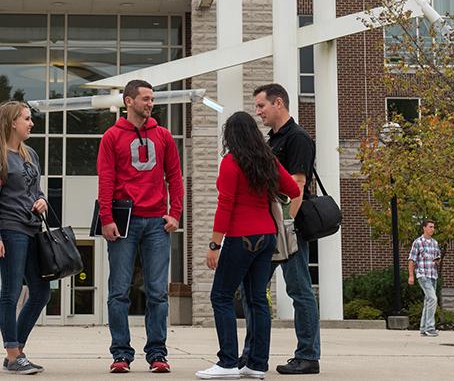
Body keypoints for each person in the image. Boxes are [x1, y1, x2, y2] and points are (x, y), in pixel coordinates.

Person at [198, 111, 303, 380]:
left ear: (230, 135)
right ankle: (256, 365)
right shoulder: (268, 161)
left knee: (220, 296)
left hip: (240, 238)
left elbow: (226, 205)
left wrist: (214, 244)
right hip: (267, 237)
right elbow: (293, 188)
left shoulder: (231, 162)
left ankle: (227, 363)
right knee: (257, 300)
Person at [98, 79, 184, 374]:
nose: (150, 103)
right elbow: (106, 180)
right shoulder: (111, 136)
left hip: (157, 223)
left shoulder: (163, 136)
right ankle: (121, 353)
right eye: (145, 99)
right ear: (128, 101)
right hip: (125, 222)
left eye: (152, 99)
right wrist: (107, 218)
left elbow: (175, 177)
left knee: (158, 292)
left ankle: (157, 353)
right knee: (119, 291)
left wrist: (176, 213)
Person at [241, 83, 321, 375]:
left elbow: (297, 186)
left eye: (261, 106)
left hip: (289, 229)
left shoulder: (298, 138)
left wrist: (285, 227)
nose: (258, 112)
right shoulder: (270, 140)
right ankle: (251, 355)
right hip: (266, 227)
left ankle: (308, 356)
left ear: (278, 103)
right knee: (253, 290)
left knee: (299, 291)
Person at [0, 101, 50, 375]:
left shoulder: (30, 153)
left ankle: (17, 349)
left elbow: (37, 189)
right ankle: (12, 354)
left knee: (41, 292)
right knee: (10, 292)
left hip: (34, 229)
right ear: (12, 122)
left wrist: (43, 200)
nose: (31, 123)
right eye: (26, 118)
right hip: (10, 229)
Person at [408, 220, 442, 337]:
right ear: (424, 228)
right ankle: (430, 327)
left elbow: (437, 258)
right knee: (433, 299)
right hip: (423, 275)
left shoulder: (435, 243)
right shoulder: (418, 242)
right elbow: (412, 260)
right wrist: (411, 275)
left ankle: (423, 328)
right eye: (430, 227)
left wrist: (437, 261)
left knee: (428, 301)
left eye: (433, 227)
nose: (433, 229)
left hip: (433, 275)